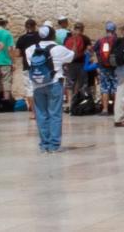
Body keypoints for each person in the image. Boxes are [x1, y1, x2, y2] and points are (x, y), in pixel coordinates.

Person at [27, 24, 74, 152]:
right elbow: (71, 56)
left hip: (37, 85)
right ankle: (54, 145)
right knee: (55, 114)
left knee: (41, 115)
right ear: (53, 35)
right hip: (54, 83)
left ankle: (44, 144)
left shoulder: (30, 49)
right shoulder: (59, 49)